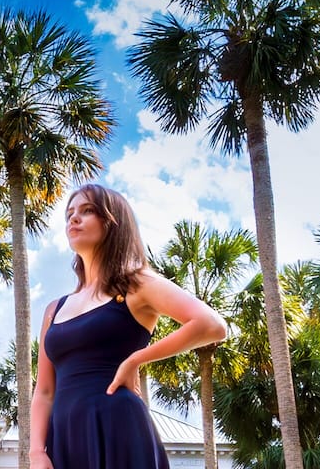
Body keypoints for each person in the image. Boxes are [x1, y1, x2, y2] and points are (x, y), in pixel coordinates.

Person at [27, 183, 229, 469]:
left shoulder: (136, 285)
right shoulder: (54, 309)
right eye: (70, 213)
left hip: (118, 426)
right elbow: (44, 391)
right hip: (65, 438)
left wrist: (136, 358)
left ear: (112, 223)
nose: (74, 218)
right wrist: (37, 452)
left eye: (87, 211)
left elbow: (211, 325)